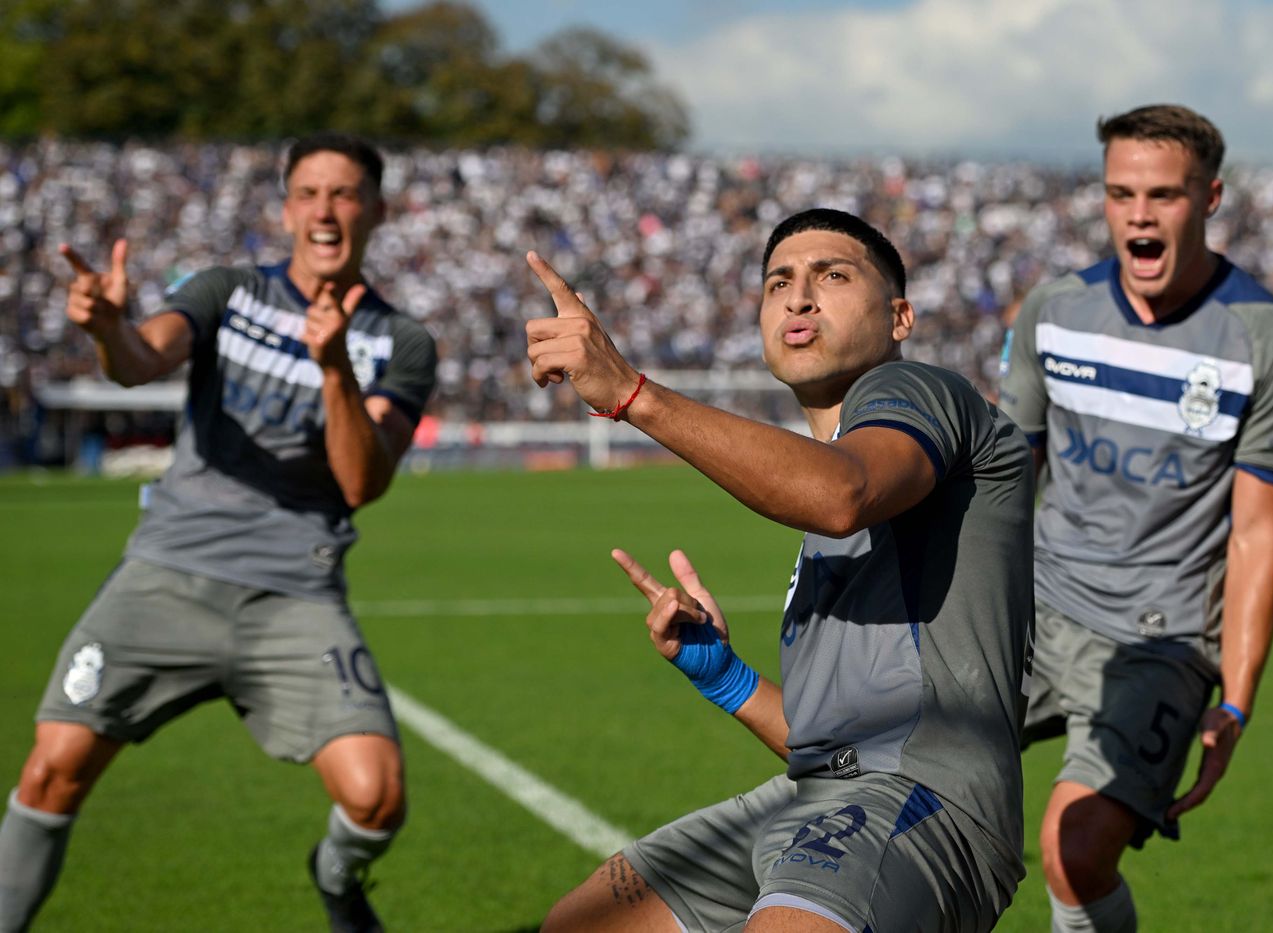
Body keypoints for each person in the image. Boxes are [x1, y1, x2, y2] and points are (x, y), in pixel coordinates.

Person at [525, 208, 1036, 932]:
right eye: (778, 283)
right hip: (811, 796)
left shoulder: (922, 394)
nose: (798, 298)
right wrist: (723, 675)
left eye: (832, 275)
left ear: (900, 316)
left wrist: (632, 394)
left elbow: (840, 493)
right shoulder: (832, 475)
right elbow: (829, 739)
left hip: (922, 799)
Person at [0, 134, 437, 933]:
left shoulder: (401, 342)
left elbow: (360, 482)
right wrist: (106, 326)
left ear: (377, 210)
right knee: (52, 769)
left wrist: (334, 363)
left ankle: (336, 879)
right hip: (166, 573)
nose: (325, 210)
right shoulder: (226, 291)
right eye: (308, 192)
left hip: (294, 591)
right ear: (286, 209)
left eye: (344, 194)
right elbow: (139, 358)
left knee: (377, 796)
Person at [997, 104, 1273, 932]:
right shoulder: (1052, 312)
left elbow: (1257, 532)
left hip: (1162, 636)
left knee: (1075, 849)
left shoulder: (1268, 341)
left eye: (1164, 195)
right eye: (1120, 193)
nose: (1138, 214)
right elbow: (1004, 482)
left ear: (1210, 198)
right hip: (1037, 607)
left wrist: (1236, 703)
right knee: (883, 768)